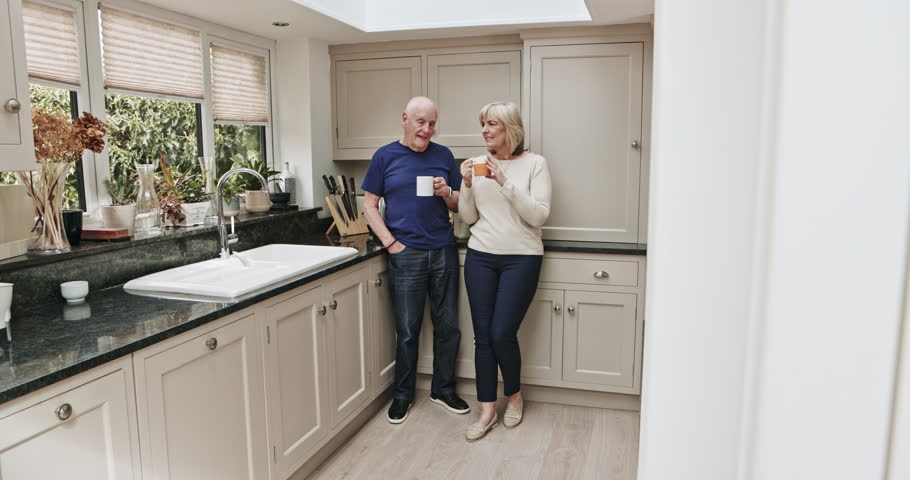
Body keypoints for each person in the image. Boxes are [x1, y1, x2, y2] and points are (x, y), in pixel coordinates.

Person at [361, 96, 470, 424]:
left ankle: (443, 389)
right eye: (421, 122)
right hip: (405, 254)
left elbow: (457, 205)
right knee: (407, 330)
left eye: (432, 124)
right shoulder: (385, 157)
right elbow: (369, 206)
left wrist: (446, 193)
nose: (427, 130)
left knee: (448, 327)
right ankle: (403, 395)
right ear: (405, 119)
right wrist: (391, 243)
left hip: (443, 250)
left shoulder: (444, 155)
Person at [457, 101, 552, 442]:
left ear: (510, 129)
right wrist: (466, 184)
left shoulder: (534, 164)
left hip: (521, 259)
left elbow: (538, 216)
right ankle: (486, 410)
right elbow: (468, 218)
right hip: (481, 255)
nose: (484, 130)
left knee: (501, 334)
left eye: (492, 124)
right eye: (482, 123)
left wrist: (505, 182)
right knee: (482, 336)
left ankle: (514, 395)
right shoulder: (478, 163)